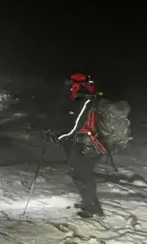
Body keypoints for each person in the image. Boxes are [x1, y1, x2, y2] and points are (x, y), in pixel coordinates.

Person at [56, 72, 104, 218]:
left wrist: (62, 136)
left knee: (82, 175)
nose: (70, 87)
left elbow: (77, 124)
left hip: (88, 145)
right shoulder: (83, 99)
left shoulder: (86, 101)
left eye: (72, 84)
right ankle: (88, 202)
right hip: (82, 143)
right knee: (79, 173)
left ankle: (93, 209)